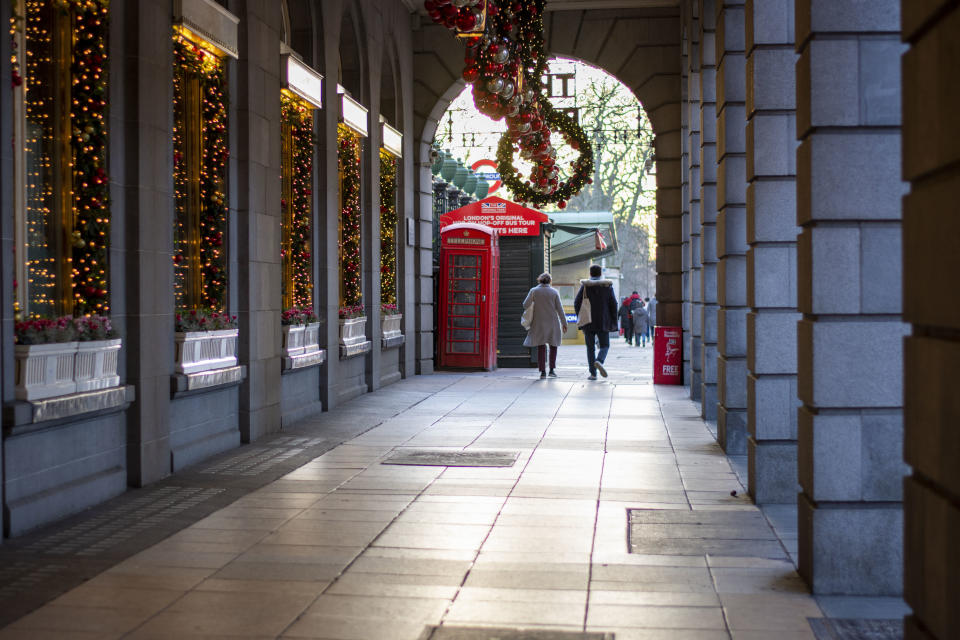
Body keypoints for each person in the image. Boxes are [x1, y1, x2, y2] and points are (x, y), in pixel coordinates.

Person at [573, 264, 618, 380]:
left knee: (590, 348)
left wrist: (580, 316)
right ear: (600, 274)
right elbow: (614, 304)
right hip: (603, 321)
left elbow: (577, 302)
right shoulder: (607, 286)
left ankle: (593, 374)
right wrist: (613, 320)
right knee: (605, 345)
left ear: (590, 274)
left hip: (588, 321)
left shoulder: (585, 287)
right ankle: (599, 361)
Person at [522, 272, 568, 378]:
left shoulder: (533, 291)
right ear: (550, 281)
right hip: (553, 322)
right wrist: (564, 323)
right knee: (553, 346)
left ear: (539, 280)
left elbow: (525, 305)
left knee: (541, 346)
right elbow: (560, 309)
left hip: (538, 322)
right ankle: (552, 370)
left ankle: (542, 372)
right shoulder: (554, 292)